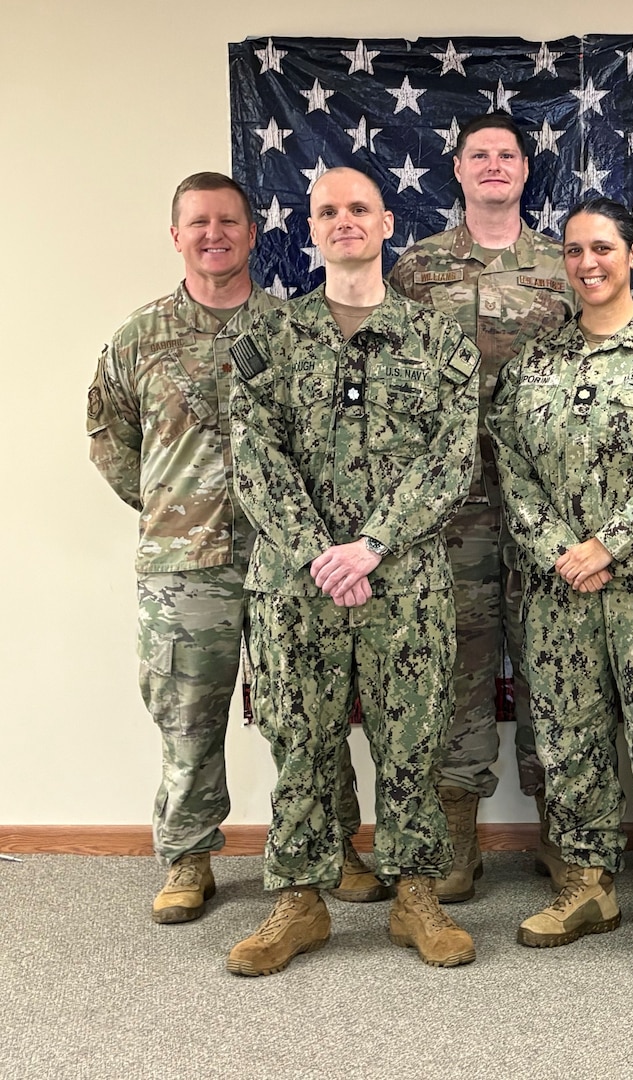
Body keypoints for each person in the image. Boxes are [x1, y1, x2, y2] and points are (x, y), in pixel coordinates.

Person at [85, 173, 380, 921]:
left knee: (308, 712)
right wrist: (171, 506)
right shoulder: (138, 338)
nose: (213, 235)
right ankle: (188, 856)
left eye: (228, 222)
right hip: (185, 567)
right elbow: (111, 440)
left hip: (288, 559)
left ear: (253, 234)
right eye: (198, 223)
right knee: (186, 712)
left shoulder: (296, 330)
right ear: (176, 236)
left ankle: (334, 845)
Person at [226, 167, 480, 975]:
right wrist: (320, 553)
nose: (345, 220)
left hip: (404, 581)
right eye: (328, 210)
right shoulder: (270, 340)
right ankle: (299, 901)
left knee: (413, 742)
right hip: (297, 584)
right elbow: (255, 459)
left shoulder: (438, 340)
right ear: (310, 228)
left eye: (359, 208)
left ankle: (416, 896)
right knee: (301, 742)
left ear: (386, 222)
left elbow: (453, 457)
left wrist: (370, 545)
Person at [489, 197, 633, 978]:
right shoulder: (536, 364)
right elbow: (512, 467)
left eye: (602, 248)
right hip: (562, 591)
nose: (588, 263)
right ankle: (588, 885)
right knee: (569, 742)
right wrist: (563, 551)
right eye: (574, 251)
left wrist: (608, 545)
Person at [388, 113, 578, 902]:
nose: (494, 164)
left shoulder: (564, 266)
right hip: (450, 509)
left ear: (526, 170)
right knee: (458, 668)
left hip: (547, 507)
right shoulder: (417, 269)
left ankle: (565, 835)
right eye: (479, 155)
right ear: (459, 170)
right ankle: (455, 837)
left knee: (553, 664)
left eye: (507, 154)